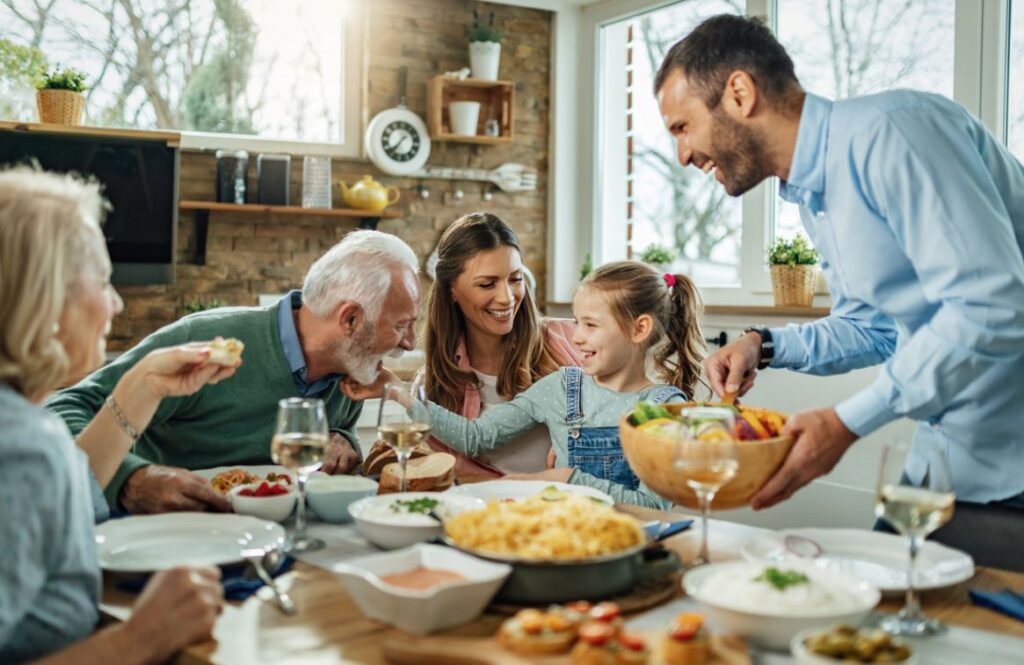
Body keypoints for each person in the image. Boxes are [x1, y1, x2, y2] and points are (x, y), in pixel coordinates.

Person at [654, 15, 1024, 544]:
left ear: (739, 93)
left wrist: (847, 421)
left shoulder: (896, 132)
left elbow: (992, 306)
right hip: (945, 465)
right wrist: (764, 344)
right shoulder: (815, 196)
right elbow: (875, 329)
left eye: (682, 127)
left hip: (1012, 469)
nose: (683, 155)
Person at [0, 168, 225, 663]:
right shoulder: (21, 447)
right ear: (46, 299)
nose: (117, 303)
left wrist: (144, 385)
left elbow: (66, 498)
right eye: (103, 281)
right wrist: (142, 636)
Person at [48, 229, 421, 514]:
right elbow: (63, 410)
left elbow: (335, 446)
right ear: (351, 318)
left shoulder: (353, 368)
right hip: (172, 536)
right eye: (402, 325)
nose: (409, 342)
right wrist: (130, 478)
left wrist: (344, 442)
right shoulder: (206, 339)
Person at [351, 261, 706, 508]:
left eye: (591, 326)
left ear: (639, 329)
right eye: (577, 322)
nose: (577, 337)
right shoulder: (561, 388)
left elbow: (652, 505)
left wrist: (565, 478)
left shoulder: (663, 409)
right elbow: (476, 438)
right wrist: (399, 392)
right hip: (556, 536)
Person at [421, 212, 581, 478]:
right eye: (487, 284)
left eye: (515, 279)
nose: (507, 298)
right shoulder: (434, 386)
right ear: (451, 290)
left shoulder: (573, 339)